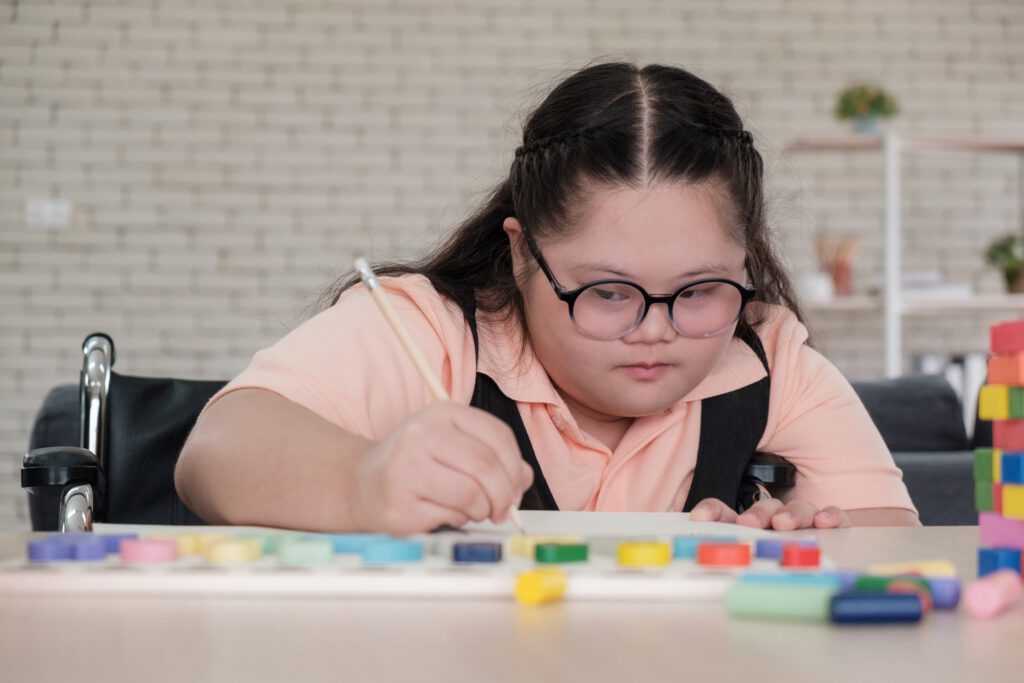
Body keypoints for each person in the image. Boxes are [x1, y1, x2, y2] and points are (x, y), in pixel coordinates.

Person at [175, 62, 919, 535]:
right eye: (606, 291)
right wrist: (362, 483)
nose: (654, 331)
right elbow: (216, 452)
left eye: (698, 290)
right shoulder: (431, 332)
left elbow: (895, 546)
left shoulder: (765, 354)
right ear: (522, 252)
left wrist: (802, 547)